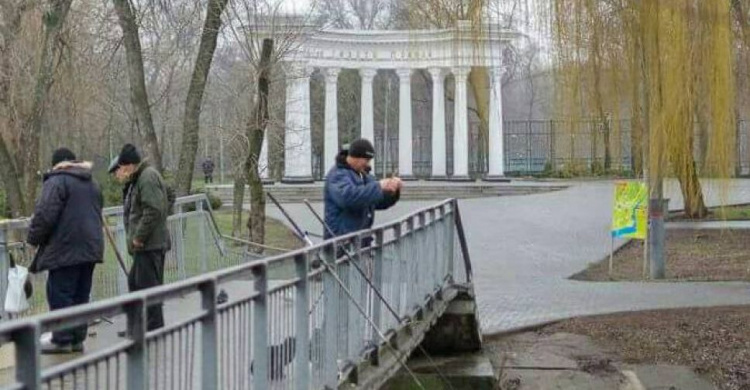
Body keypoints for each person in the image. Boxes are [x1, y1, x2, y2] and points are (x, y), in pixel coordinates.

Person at [27, 148, 104, 354]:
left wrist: (33, 238)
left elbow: (45, 214)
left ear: (57, 164)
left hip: (65, 249)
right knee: (81, 294)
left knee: (61, 295)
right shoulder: (92, 183)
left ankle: (61, 339)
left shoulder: (57, 181)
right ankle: (77, 338)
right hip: (90, 248)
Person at [108, 144, 170, 333]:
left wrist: (138, 238)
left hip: (149, 244)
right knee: (136, 283)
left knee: (147, 287)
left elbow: (153, 209)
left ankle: (151, 326)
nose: (117, 176)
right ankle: (140, 325)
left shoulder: (147, 177)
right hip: (147, 244)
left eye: (117, 171)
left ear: (126, 166)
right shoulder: (140, 179)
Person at [324, 138, 402, 243]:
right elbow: (348, 198)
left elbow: (376, 202)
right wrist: (379, 186)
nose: (368, 164)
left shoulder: (363, 175)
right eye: (367, 160)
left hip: (360, 241)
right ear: (356, 157)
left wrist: (391, 191)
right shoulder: (337, 175)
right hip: (342, 241)